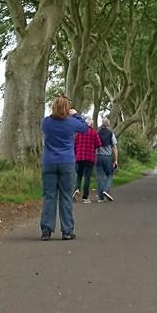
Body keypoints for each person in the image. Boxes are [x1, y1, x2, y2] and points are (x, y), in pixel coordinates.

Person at [40, 96, 88, 241]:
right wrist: (75, 114)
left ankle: (46, 230)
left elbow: (46, 126)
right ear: (67, 108)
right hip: (66, 161)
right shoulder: (72, 122)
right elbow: (85, 127)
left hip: (49, 161)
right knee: (66, 196)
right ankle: (67, 230)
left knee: (49, 196)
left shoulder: (46, 122)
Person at [74, 120, 102, 203]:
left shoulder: (78, 133)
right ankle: (85, 197)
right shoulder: (94, 133)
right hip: (89, 158)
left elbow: (74, 144)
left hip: (79, 157)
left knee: (79, 175)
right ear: (92, 125)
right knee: (87, 177)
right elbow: (99, 144)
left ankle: (77, 189)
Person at [95, 117, 118, 202]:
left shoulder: (97, 133)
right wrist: (115, 160)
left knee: (100, 176)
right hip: (107, 157)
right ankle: (106, 189)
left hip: (98, 156)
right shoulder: (111, 134)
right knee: (110, 174)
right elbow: (114, 147)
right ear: (108, 125)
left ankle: (100, 198)